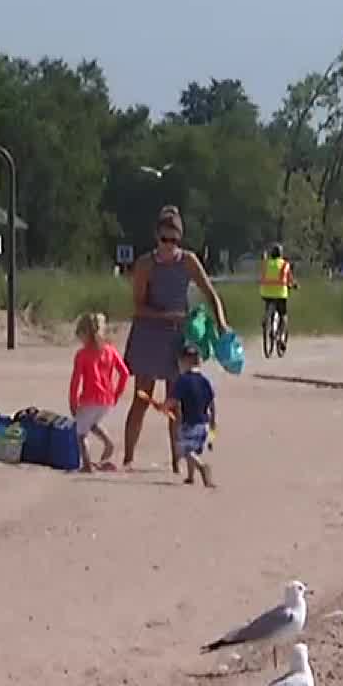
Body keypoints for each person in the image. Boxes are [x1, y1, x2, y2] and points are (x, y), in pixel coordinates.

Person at [122, 206, 229, 472]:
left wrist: (221, 323)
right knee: (142, 398)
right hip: (149, 332)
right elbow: (138, 306)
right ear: (156, 236)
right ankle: (128, 458)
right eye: (164, 239)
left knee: (176, 399)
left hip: (176, 336)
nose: (169, 246)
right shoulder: (146, 264)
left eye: (174, 240)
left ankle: (177, 461)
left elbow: (210, 293)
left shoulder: (188, 261)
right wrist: (166, 315)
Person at [68, 312, 131, 473]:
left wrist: (73, 403)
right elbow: (124, 373)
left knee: (80, 434)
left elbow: (75, 381)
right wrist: (117, 394)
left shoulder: (82, 355)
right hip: (107, 399)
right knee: (92, 423)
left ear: (85, 334)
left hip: (89, 398)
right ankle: (108, 442)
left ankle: (87, 464)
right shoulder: (110, 351)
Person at [167, 344, 217, 488]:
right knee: (193, 449)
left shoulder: (182, 380)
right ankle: (190, 476)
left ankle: (202, 467)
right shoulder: (205, 381)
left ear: (184, 362)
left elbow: (173, 400)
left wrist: (164, 406)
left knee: (184, 449)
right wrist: (213, 423)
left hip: (189, 422)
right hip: (204, 423)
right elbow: (212, 404)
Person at [258, 242, 295, 353]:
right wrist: (293, 285)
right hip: (280, 294)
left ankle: (266, 319)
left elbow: (262, 275)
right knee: (284, 317)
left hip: (266, 293)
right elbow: (289, 279)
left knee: (269, 307)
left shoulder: (266, 264)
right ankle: (280, 337)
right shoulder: (285, 264)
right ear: (281, 254)